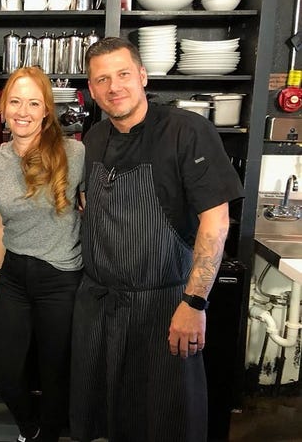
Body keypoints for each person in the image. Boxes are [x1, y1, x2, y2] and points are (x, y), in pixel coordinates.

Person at [70, 36, 244, 442]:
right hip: (100, 306)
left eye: (123, 74)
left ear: (143, 76)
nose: (115, 87)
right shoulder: (94, 138)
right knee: (106, 417)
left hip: (164, 306)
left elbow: (217, 222)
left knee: (164, 420)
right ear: (92, 90)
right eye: (102, 80)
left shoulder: (187, 131)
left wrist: (194, 302)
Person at [0, 66, 85, 442]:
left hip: (60, 276)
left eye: (33, 102)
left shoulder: (75, 153)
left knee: (55, 372)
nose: (23, 111)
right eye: (15, 101)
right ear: (4, 108)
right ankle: (31, 429)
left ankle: (47, 436)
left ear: (46, 110)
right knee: (5, 371)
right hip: (13, 275)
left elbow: (93, 209)